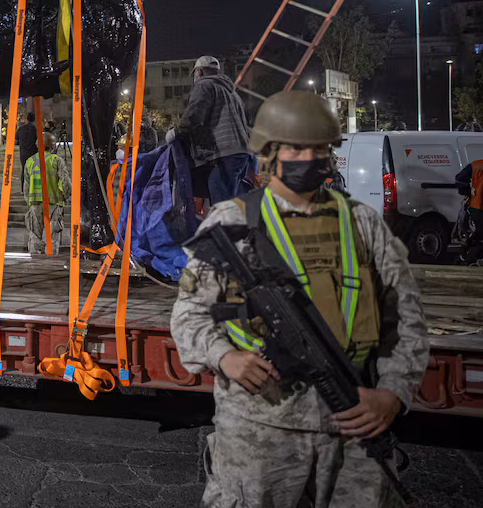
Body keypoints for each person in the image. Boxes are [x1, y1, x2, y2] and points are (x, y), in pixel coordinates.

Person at [170, 91, 428, 507]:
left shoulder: (363, 223)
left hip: (354, 423)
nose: (309, 157)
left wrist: (392, 394)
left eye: (319, 148)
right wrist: (225, 357)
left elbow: (408, 320)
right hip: (258, 428)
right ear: (269, 152)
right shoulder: (232, 221)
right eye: (296, 147)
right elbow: (190, 316)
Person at [165, 56, 253, 207]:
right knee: (222, 192)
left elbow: (195, 114)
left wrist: (176, 132)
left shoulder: (204, 85)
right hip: (241, 152)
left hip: (225, 152)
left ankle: (225, 228)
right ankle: (234, 227)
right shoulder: (232, 93)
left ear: (199, 71)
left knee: (220, 197)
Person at [23, 133, 70, 254]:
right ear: (52, 146)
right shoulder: (57, 160)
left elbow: (26, 186)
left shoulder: (30, 161)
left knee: (34, 235)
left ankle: (34, 261)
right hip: (54, 202)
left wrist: (29, 201)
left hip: (35, 203)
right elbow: (65, 182)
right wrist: (66, 196)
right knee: (52, 236)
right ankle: (51, 262)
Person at [454, 158, 483, 264]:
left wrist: (467, 191)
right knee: (480, 236)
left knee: (478, 234)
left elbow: (459, 179)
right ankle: (469, 259)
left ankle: (463, 256)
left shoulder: (476, 165)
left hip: (475, 206)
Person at [15, 111, 39, 190]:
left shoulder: (21, 129)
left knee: (24, 170)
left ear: (27, 119)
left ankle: (23, 188)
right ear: (34, 119)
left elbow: (16, 141)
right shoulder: (35, 129)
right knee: (33, 171)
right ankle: (33, 188)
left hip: (23, 153)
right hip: (33, 152)